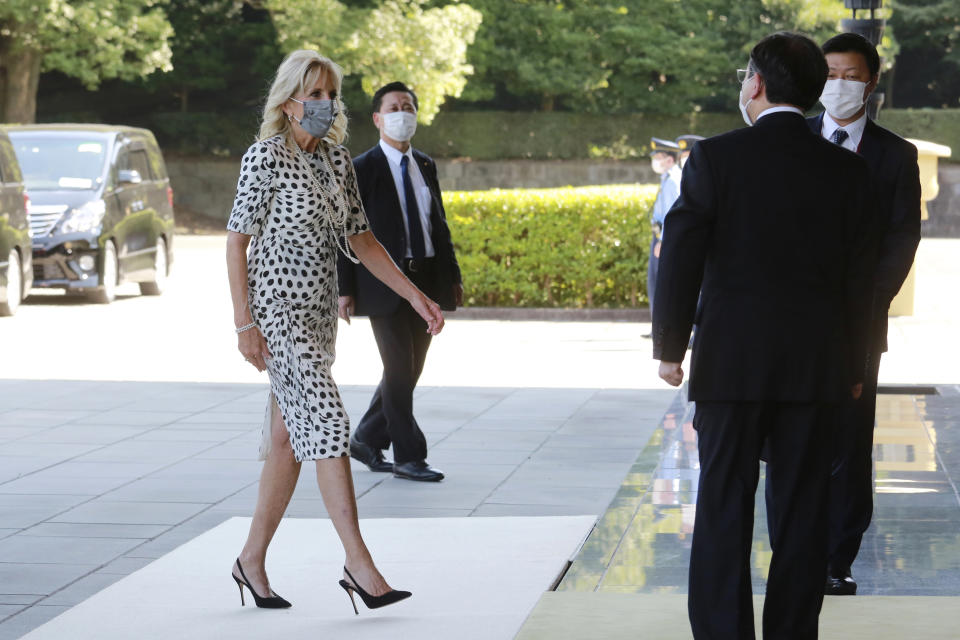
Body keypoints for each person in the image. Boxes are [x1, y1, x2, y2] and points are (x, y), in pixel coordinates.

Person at [653, 32, 876, 639]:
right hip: (816, 368)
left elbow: (680, 256)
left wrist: (670, 348)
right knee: (804, 513)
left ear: (755, 84)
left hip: (732, 366)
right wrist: (853, 363)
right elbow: (862, 281)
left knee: (724, 506)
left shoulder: (716, 158)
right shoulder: (846, 171)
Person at [225, 50, 444, 612]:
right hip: (277, 314)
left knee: (284, 441)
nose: (325, 104)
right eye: (315, 94)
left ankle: (250, 560)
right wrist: (243, 322)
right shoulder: (264, 158)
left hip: (320, 316)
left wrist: (416, 295)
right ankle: (359, 564)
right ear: (289, 99)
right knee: (328, 421)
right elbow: (236, 241)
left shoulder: (337, 161)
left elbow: (363, 242)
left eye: (331, 94)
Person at [810, 32, 921, 596]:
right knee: (796, 439)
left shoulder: (893, 154)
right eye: (829, 73)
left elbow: (902, 237)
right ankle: (795, 545)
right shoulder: (791, 139)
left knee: (849, 441)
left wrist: (867, 305)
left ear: (871, 83)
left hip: (857, 326)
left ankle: (837, 555)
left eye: (851, 75)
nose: (839, 85)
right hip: (794, 324)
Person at [337, 82, 462, 483]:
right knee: (397, 369)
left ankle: (367, 437)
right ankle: (410, 456)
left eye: (408, 106)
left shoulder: (425, 165)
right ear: (377, 118)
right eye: (393, 107)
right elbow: (344, 232)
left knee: (409, 370)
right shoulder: (361, 168)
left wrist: (452, 277)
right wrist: (344, 288)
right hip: (381, 284)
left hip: (425, 281)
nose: (401, 112)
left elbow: (437, 225)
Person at [646, 137, 682, 327]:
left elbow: (672, 213)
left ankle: (664, 327)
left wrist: (663, 240)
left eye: (659, 157)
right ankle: (658, 326)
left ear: (669, 159)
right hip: (659, 236)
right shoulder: (666, 179)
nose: (656, 161)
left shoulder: (673, 181)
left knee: (663, 285)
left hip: (663, 239)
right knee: (654, 283)